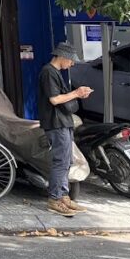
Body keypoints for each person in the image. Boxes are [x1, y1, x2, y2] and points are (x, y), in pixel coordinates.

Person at [38, 41, 93, 217]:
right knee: (60, 161)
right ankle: (55, 199)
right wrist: (76, 93)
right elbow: (54, 99)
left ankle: (63, 196)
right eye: (71, 60)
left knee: (67, 161)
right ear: (62, 56)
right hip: (56, 123)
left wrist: (79, 94)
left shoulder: (55, 72)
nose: (72, 63)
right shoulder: (48, 72)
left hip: (63, 122)